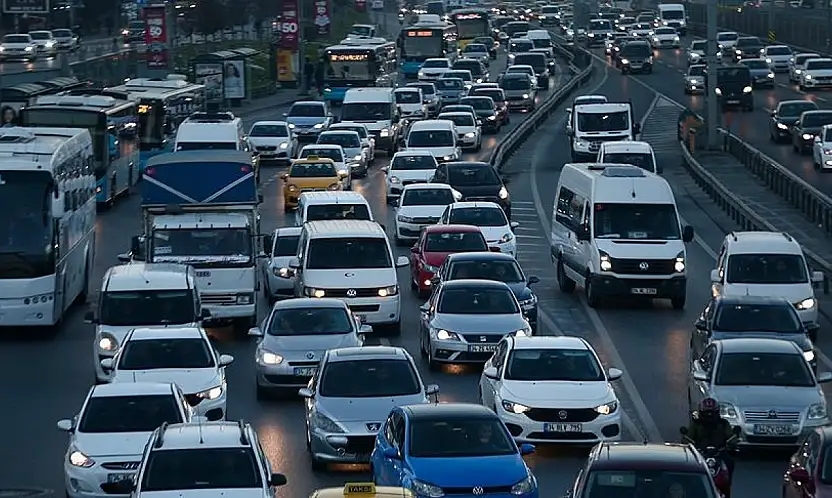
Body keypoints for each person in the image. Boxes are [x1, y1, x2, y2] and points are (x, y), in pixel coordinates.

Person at [684, 398, 735, 478]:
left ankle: (727, 482)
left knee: (730, 463)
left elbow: (731, 437)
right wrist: (688, 442)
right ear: (701, 412)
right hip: (700, 453)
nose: (709, 415)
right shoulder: (696, 424)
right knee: (688, 466)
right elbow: (688, 438)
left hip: (719, 453)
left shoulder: (723, 423)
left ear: (717, 412)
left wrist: (732, 442)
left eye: (712, 412)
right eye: (707, 412)